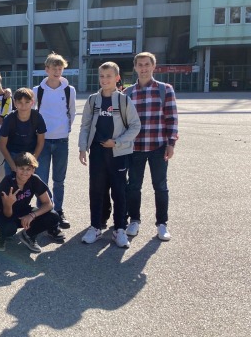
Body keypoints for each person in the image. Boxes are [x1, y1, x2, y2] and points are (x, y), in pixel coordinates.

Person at [78, 62, 141, 248]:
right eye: (102, 76)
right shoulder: (92, 100)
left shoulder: (124, 100)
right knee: (96, 190)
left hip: (119, 153)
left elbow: (135, 126)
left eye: (109, 76)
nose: (105, 80)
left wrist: (118, 142)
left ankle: (119, 230)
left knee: (119, 191)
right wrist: (83, 148)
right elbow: (85, 126)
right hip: (97, 152)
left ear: (117, 78)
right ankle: (95, 227)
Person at [124, 52, 179, 241]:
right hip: (135, 148)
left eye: (147, 64)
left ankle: (162, 224)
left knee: (160, 186)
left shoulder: (165, 90)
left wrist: (171, 143)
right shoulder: (128, 92)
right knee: (133, 186)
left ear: (153, 66)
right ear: (135, 67)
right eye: (140, 65)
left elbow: (171, 118)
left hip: (158, 146)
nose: (144, 68)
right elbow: (124, 122)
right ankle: (134, 220)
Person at [33, 53, 77, 229]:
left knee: (59, 180)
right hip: (42, 141)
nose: (57, 71)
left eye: (60, 68)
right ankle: (42, 212)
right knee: (41, 179)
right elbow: (33, 112)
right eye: (54, 68)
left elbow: (72, 112)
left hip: (61, 141)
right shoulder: (38, 90)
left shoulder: (69, 90)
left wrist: (64, 129)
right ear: (47, 70)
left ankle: (58, 211)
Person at [0, 152, 63, 253]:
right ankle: (1, 234)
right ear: (16, 168)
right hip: (4, 213)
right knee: (9, 229)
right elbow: (7, 214)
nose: (25, 172)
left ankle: (28, 235)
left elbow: (48, 204)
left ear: (33, 170)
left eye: (28, 169)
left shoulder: (34, 179)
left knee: (53, 216)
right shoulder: (8, 182)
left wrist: (32, 215)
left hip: (23, 210)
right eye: (21, 168)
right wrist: (9, 203)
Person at [0, 88, 47, 176]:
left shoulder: (37, 117)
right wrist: (13, 166)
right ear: (14, 103)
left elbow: (41, 142)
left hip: (32, 153)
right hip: (12, 154)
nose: (23, 106)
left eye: (27, 102)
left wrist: (33, 162)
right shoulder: (9, 119)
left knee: (35, 185)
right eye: (20, 102)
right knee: (11, 186)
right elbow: (2, 145)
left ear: (32, 102)